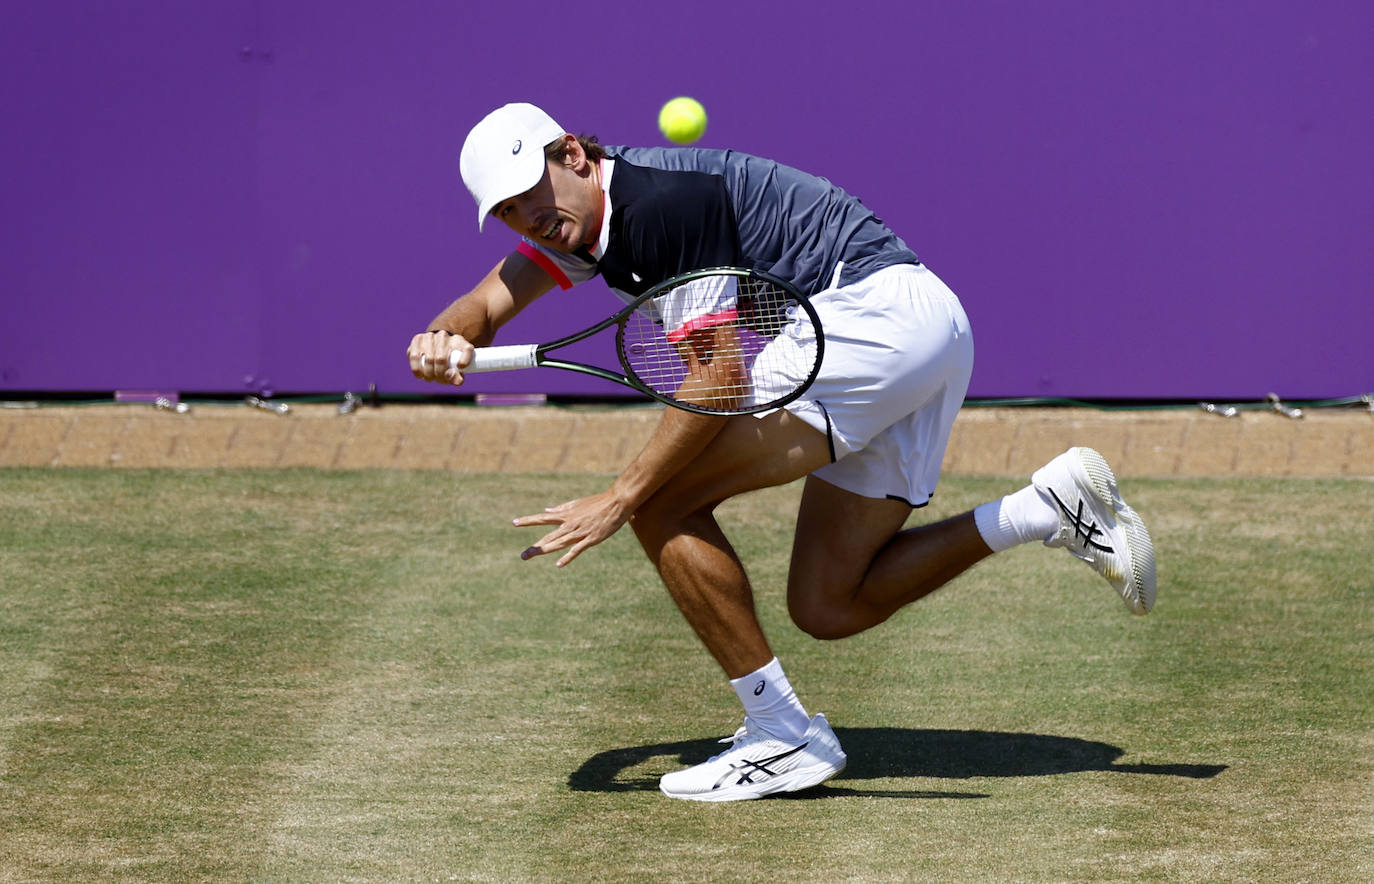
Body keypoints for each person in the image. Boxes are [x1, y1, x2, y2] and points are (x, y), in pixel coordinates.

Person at [407, 102, 1156, 802]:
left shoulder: (659, 206)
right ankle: (1045, 508)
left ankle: (782, 733)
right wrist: (444, 337)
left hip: (868, 321)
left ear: (572, 154)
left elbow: (719, 375)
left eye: (529, 194)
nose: (527, 220)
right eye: (506, 211)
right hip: (923, 330)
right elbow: (487, 305)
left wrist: (621, 496)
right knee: (830, 604)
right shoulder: (578, 219)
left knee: (661, 502)